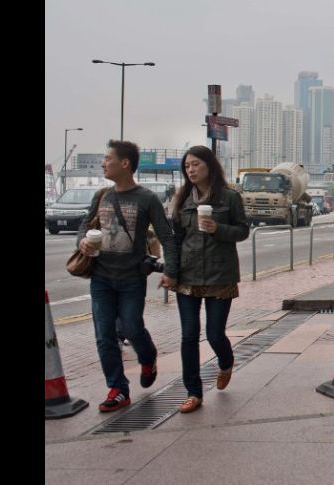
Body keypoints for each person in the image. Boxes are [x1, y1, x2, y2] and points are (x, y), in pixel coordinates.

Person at [77, 140, 178, 412]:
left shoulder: (147, 198)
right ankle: (118, 389)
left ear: (125, 164)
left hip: (132, 279)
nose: (103, 163)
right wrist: (82, 242)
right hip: (101, 278)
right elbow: (84, 227)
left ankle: (148, 356)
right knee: (104, 335)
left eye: (107, 158)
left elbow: (167, 237)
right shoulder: (102, 196)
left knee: (132, 328)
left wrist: (170, 272)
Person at [170, 146, 250, 413]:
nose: (191, 170)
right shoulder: (182, 199)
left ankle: (226, 362)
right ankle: (193, 392)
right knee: (189, 335)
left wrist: (218, 229)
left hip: (220, 274)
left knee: (215, 333)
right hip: (188, 275)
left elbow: (243, 231)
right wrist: (171, 272)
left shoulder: (229, 197)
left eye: (196, 164)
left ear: (209, 165)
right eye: (187, 166)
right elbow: (175, 240)